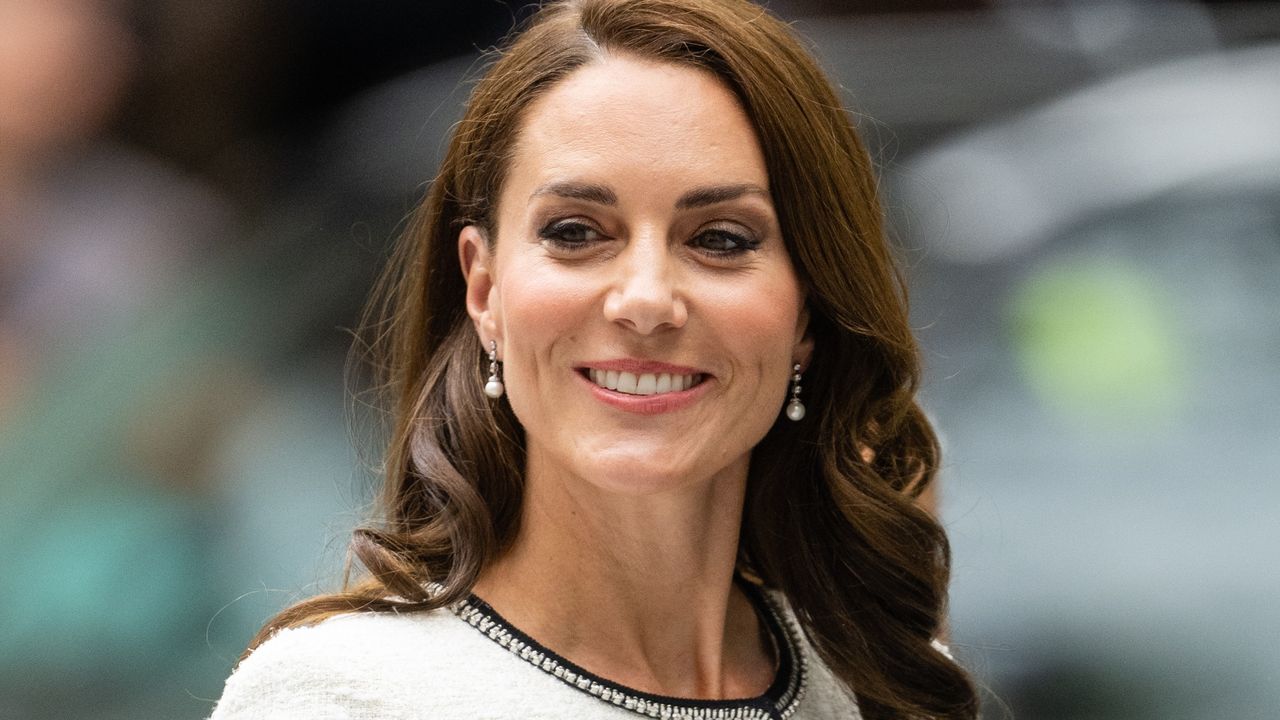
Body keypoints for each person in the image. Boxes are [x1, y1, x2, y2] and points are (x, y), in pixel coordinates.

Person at [209, 0, 978, 718]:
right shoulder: (344, 698)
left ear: (807, 309)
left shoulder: (868, 678)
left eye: (721, 239)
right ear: (484, 288)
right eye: (576, 232)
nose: (644, 300)